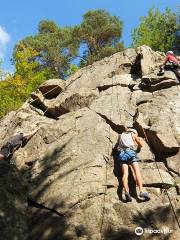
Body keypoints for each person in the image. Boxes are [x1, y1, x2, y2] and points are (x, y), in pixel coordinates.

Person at [117, 128, 150, 202]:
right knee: (137, 172)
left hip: (122, 154)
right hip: (130, 153)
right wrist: (140, 140)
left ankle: (126, 192)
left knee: (125, 173)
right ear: (134, 132)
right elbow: (141, 145)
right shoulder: (133, 134)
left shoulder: (121, 135)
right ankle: (141, 191)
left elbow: (118, 146)